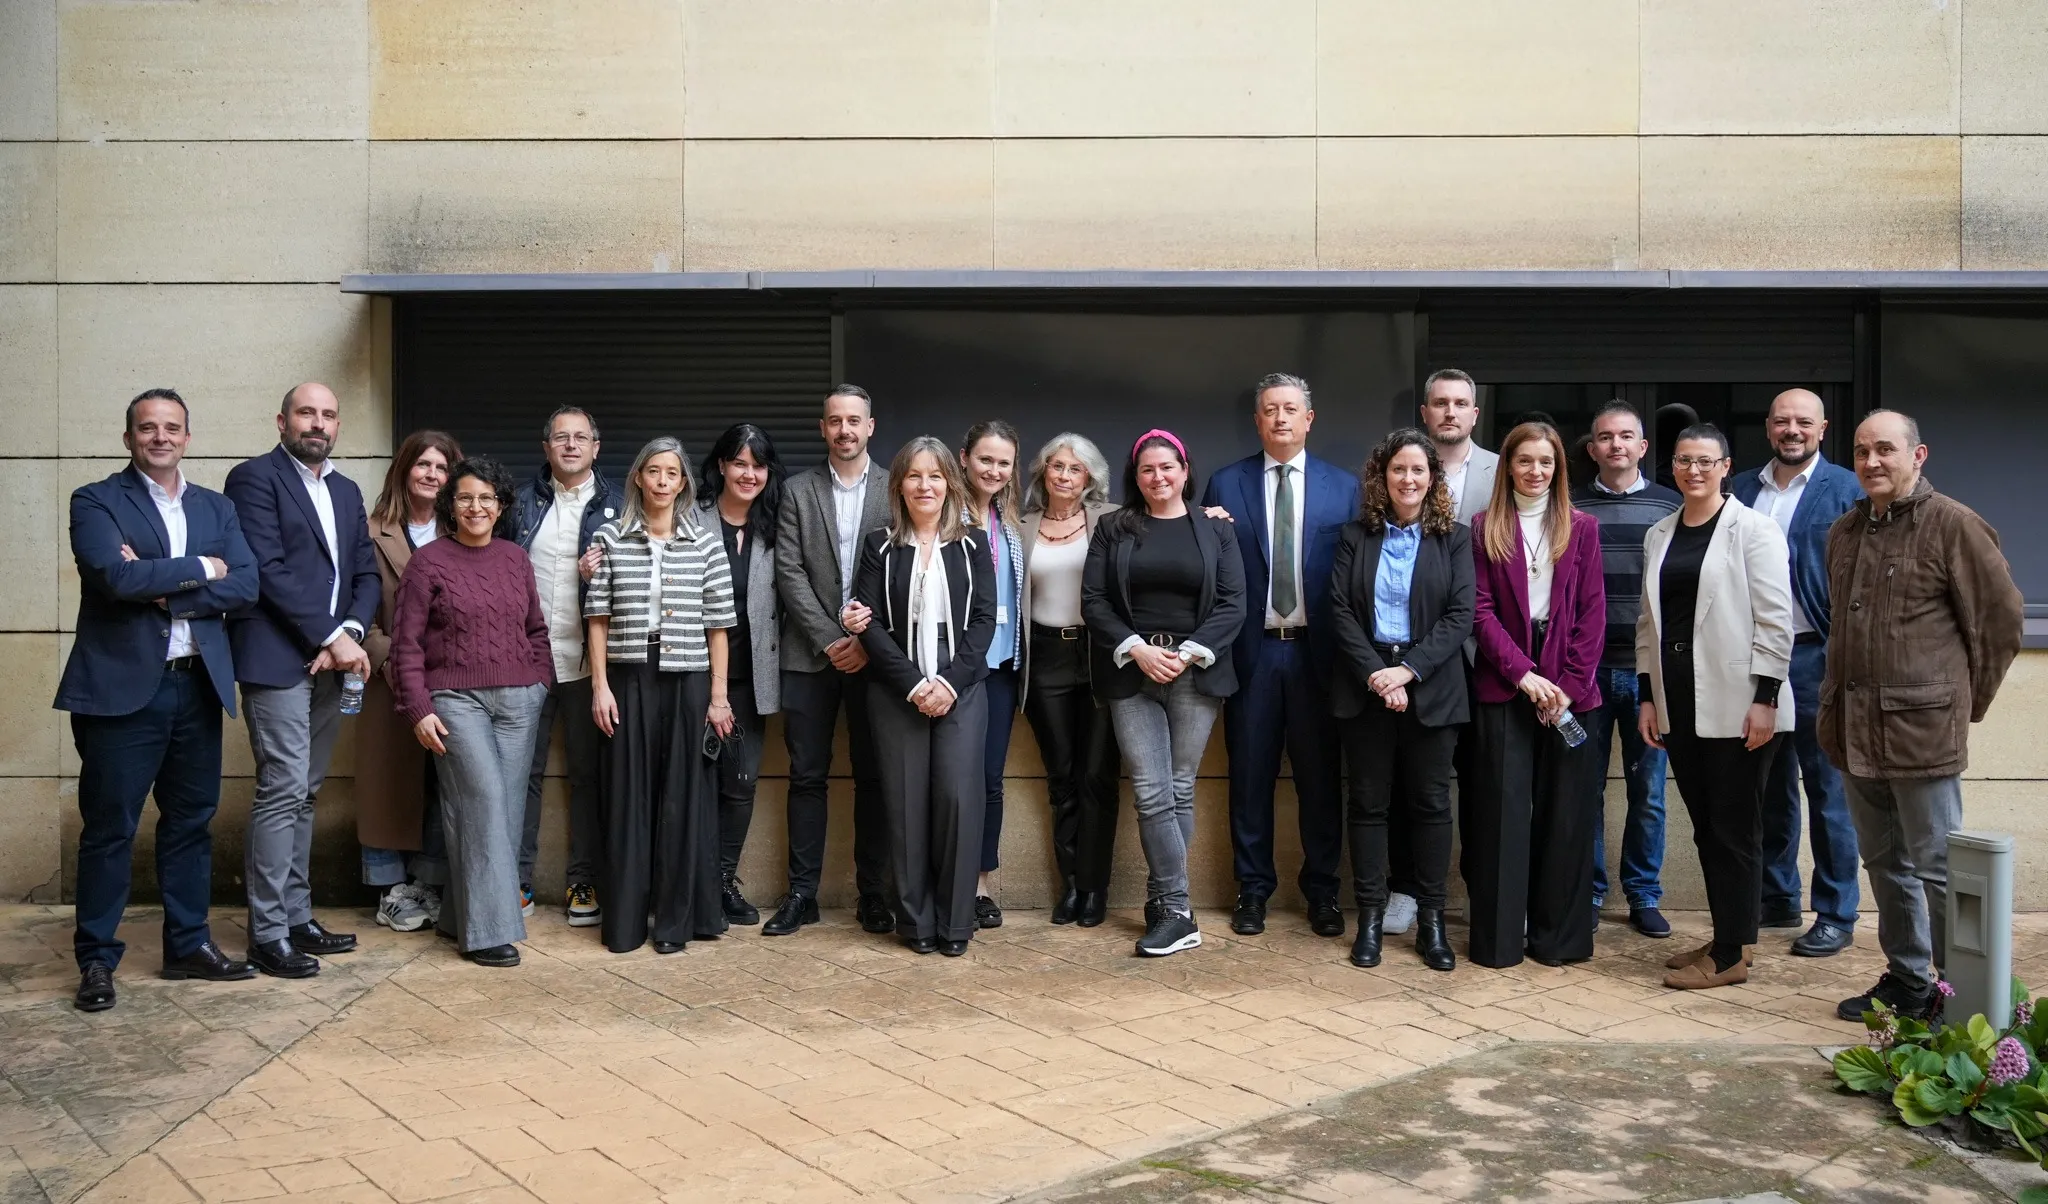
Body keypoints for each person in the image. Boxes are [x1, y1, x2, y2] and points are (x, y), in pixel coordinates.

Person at [55, 389, 261, 1011]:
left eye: (172, 428)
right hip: (122, 694)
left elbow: (247, 584)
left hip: (196, 684)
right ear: (129, 439)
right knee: (110, 828)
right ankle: (96, 959)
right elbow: (114, 577)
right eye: (148, 428)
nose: (161, 438)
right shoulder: (96, 500)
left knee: (190, 824)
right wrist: (205, 566)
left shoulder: (216, 505)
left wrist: (166, 586)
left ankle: (187, 946)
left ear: (188, 438)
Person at [1824, 411, 2024, 1022]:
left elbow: (2000, 624)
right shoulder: (1846, 531)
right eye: (1861, 452)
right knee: (1884, 864)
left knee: (1938, 869)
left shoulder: (1954, 526)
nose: (1872, 461)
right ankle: (1908, 982)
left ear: (1919, 455)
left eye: (1885, 449)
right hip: (1854, 729)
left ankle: (1956, 994)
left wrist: (1961, 705)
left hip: (1921, 734)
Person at [225, 383, 380, 978]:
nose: (317, 423)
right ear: (282, 419)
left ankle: (295, 918)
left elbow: (364, 572)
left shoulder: (344, 489)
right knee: (283, 788)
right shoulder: (255, 478)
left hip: (331, 658)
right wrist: (327, 638)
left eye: (328, 415)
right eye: (306, 413)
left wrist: (349, 634)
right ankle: (266, 934)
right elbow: (268, 569)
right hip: (276, 658)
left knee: (306, 791)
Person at [1636, 426, 1795, 990]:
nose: (1694, 470)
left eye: (1705, 461)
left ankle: (1731, 954)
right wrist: (1648, 695)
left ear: (1726, 466)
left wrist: (1766, 699)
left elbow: (1777, 621)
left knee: (1734, 829)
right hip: (1679, 702)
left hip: (1741, 704)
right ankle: (1732, 935)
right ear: (1672, 468)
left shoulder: (1755, 529)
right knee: (1708, 828)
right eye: (1684, 461)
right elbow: (1647, 622)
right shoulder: (1660, 532)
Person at [1200, 374, 1359, 939]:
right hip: (1253, 654)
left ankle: (1322, 892)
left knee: (1320, 780)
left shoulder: (1346, 488)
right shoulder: (1226, 483)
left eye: (1291, 409)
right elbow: (1207, 570)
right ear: (1257, 420)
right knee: (1249, 778)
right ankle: (1253, 890)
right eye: (1270, 410)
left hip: (1321, 657)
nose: (1281, 418)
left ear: (1309, 419)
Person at [1083, 430, 1247, 958]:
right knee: (1152, 790)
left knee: (1179, 788)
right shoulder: (1113, 528)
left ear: (1184, 470)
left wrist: (1190, 651)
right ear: (1137, 476)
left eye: (1168, 467)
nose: (1159, 477)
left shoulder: (1215, 529)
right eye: (1148, 469)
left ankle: (1165, 903)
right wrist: (1137, 649)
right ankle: (1178, 909)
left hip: (1194, 673)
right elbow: (1094, 601)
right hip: (1133, 672)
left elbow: (1233, 603)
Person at [390, 457, 553, 967]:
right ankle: (487, 934)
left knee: (501, 814)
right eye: (465, 498)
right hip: (456, 701)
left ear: (500, 505)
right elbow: (405, 645)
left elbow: (535, 630)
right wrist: (417, 707)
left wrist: (539, 681)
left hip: (519, 700)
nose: (476, 507)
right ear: (451, 506)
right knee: (481, 804)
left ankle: (458, 917)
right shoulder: (429, 563)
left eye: (486, 498)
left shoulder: (514, 558)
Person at [840, 437, 997, 956]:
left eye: (934, 475)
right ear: (899, 485)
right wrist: (912, 684)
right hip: (896, 688)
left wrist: (948, 683)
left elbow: (982, 624)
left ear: (950, 482)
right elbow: (869, 623)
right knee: (905, 805)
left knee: (957, 798)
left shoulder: (974, 544)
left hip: (962, 687)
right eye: (914, 476)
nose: (924, 485)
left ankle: (955, 924)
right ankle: (916, 924)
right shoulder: (877, 544)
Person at [1326, 429, 1474, 972]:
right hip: (1365, 688)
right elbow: (1339, 609)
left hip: (1432, 686)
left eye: (1418, 471)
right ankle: (1369, 916)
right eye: (1397, 470)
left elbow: (1461, 615)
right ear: (1381, 477)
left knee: (1432, 805)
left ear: (1432, 478)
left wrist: (1407, 672)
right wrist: (1378, 674)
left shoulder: (1454, 538)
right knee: (1368, 805)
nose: (1407, 480)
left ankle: (1431, 921)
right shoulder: (1354, 536)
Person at [586, 437, 738, 954]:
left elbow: (719, 625)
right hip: (628, 677)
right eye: (653, 471)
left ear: (684, 483)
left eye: (672, 473)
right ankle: (626, 924)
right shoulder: (611, 537)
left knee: (682, 798)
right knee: (629, 796)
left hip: (689, 679)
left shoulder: (706, 542)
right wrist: (600, 686)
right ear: (638, 478)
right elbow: (597, 617)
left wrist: (718, 697)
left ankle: (675, 923)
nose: (662, 481)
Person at [1731, 388, 1865, 958]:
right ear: (1767, 427)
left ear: (1823, 428)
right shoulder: (1739, 491)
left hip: (1818, 657)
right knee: (1768, 788)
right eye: (1783, 421)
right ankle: (1777, 895)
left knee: (1828, 790)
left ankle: (1835, 912)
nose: (1792, 430)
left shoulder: (1848, 490)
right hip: (1754, 658)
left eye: (1803, 422)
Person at [1466, 421, 1605, 969]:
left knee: (1565, 815)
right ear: (1508, 467)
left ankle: (1559, 941)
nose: (1535, 470)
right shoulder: (1483, 528)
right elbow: (1478, 612)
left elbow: (1593, 613)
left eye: (1545, 461)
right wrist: (1523, 676)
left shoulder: (1583, 527)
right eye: (1525, 460)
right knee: (1500, 816)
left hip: (1570, 687)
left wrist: (1566, 689)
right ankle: (1499, 944)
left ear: (1559, 468)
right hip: (1505, 684)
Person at [770, 385, 895, 936]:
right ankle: (803, 893)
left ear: (871, 426)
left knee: (876, 777)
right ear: (823, 429)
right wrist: (830, 638)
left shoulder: (898, 487)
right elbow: (789, 573)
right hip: (809, 656)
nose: (845, 430)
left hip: (878, 659)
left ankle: (875, 893)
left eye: (854, 421)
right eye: (834, 421)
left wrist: (867, 643)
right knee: (806, 776)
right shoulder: (797, 490)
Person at [1391, 367, 1500, 937]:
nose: (1450, 412)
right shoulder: (1401, 471)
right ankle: (1406, 889)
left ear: (1474, 414)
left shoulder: (1503, 474)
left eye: (1461, 403)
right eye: (1440, 403)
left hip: (1485, 655)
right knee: (1412, 783)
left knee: (1481, 783)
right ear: (1425, 412)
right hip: (1413, 660)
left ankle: (1482, 891)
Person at [1570, 401, 1681, 939]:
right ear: (1592, 449)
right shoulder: (1567, 506)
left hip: (1647, 676)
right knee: (1583, 789)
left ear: (1642, 447)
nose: (1616, 445)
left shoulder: (1672, 506)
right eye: (1605, 437)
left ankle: (1643, 895)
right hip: (1584, 672)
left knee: (1649, 792)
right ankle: (1588, 893)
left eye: (1626, 437)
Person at [513, 406, 616, 929]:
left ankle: (583, 880)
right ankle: (517, 879)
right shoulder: (520, 505)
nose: (571, 446)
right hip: (525, 663)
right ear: (546, 446)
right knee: (519, 775)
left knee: (588, 776)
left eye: (581, 438)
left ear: (596, 447)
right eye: (561, 437)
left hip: (587, 665)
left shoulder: (621, 506)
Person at [360, 430, 462, 933]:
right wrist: (384, 656)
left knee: (442, 779)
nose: (432, 475)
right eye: (423, 465)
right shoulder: (371, 530)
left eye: (442, 468)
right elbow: (355, 604)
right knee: (389, 780)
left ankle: (426, 883)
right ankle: (388, 887)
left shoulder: (465, 529)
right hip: (389, 676)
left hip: (450, 676)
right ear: (404, 469)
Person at [1018, 433, 1121, 927]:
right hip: (1045, 657)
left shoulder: (1113, 518)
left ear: (1090, 478)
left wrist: (1213, 515)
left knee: (1098, 775)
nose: (1064, 475)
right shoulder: (1021, 525)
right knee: (1061, 777)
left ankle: (1095, 887)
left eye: (1075, 469)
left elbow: (1171, 517)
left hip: (1100, 654)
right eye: (1056, 466)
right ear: (1043, 472)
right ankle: (1071, 885)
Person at [694, 423, 786, 925]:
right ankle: (690, 883)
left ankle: (722, 880)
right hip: (694, 675)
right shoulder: (692, 519)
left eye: (758, 464)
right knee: (692, 782)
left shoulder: (777, 524)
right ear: (722, 466)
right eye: (739, 462)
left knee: (740, 783)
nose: (749, 474)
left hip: (754, 677)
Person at [959, 420, 1025, 929]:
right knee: (948, 780)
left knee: (989, 781)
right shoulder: (942, 513)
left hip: (1001, 667)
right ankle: (948, 881)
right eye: (985, 459)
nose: (994, 470)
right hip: (955, 669)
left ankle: (981, 884)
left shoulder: (1011, 521)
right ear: (964, 458)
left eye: (1003, 462)